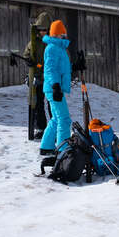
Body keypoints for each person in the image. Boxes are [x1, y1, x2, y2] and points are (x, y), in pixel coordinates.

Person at [38, 20, 73, 155]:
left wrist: (75, 66)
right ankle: (63, 150)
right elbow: (50, 69)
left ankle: (46, 147)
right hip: (53, 88)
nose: (63, 36)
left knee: (56, 118)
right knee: (64, 119)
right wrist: (55, 85)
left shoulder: (58, 48)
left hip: (54, 87)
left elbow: (61, 68)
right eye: (62, 33)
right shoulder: (52, 48)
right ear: (57, 33)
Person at [21, 9, 52, 141]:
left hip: (51, 78)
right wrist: (28, 60)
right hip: (38, 77)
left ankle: (54, 128)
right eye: (40, 29)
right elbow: (26, 54)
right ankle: (41, 128)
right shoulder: (33, 43)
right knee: (38, 103)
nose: (42, 32)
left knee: (52, 105)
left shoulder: (53, 42)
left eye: (45, 29)